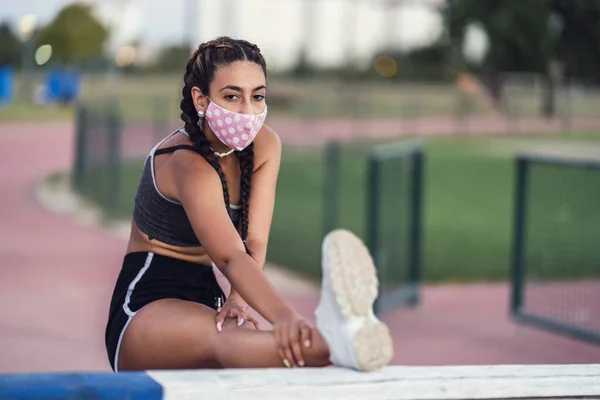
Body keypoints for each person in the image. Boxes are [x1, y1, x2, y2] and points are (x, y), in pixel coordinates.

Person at [104, 36, 393, 372]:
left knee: (244, 347)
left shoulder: (266, 145)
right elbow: (230, 256)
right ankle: (334, 341)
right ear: (201, 99)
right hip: (146, 304)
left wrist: (238, 298)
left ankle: (343, 340)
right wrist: (285, 316)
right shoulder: (186, 163)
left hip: (207, 291)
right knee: (228, 344)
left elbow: (253, 241)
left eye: (257, 96)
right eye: (232, 96)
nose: (248, 111)